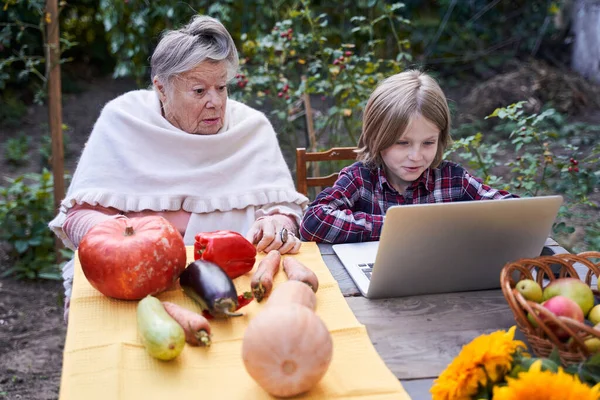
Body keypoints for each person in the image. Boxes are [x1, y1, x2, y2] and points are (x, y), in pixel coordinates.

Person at [49, 15, 308, 320]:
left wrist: (278, 223)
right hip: (136, 289)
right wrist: (120, 242)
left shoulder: (250, 128)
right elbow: (77, 215)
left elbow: (284, 209)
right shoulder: (122, 120)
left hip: (237, 285)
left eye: (221, 87)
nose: (215, 102)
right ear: (161, 88)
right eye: (199, 91)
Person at [299, 70, 518, 244]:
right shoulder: (361, 178)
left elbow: (515, 212)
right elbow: (313, 221)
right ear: (377, 137)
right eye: (403, 143)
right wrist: (399, 226)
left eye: (428, 143)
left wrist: (462, 224)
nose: (416, 156)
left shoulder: (452, 179)